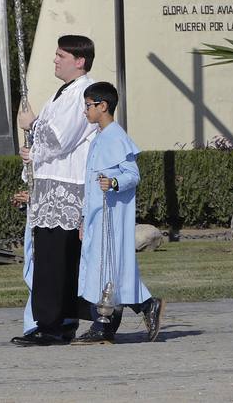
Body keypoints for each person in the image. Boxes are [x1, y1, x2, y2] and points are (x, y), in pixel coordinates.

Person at [11, 35, 99, 346]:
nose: (55, 59)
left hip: (64, 188)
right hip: (50, 187)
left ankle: (51, 325)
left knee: (53, 259)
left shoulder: (83, 93)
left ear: (80, 61)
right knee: (54, 257)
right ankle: (60, 320)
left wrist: (31, 126)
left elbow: (61, 138)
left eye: (62, 55)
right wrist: (30, 153)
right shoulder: (62, 93)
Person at [72, 82, 164, 344]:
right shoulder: (99, 138)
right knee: (101, 270)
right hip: (95, 218)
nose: (85, 112)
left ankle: (105, 325)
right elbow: (89, 186)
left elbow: (132, 175)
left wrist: (113, 183)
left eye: (88, 106)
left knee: (107, 270)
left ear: (103, 106)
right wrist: (82, 219)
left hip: (111, 219)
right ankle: (139, 309)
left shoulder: (117, 137)